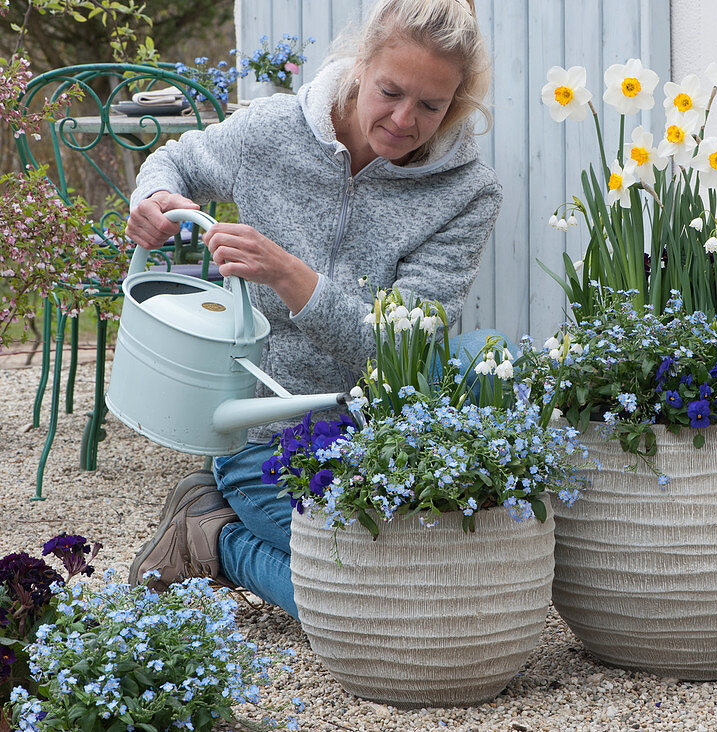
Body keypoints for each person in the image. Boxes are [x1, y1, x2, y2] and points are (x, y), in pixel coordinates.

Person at [126, 0, 504, 620]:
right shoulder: (272, 132)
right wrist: (155, 198)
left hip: (379, 432)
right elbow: (175, 161)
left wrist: (291, 276)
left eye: (431, 106)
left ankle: (218, 533)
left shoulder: (466, 194)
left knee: (418, 588)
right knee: (366, 606)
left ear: (455, 105)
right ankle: (214, 535)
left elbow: (391, 353)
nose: (405, 119)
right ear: (361, 67)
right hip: (259, 437)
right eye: (390, 91)